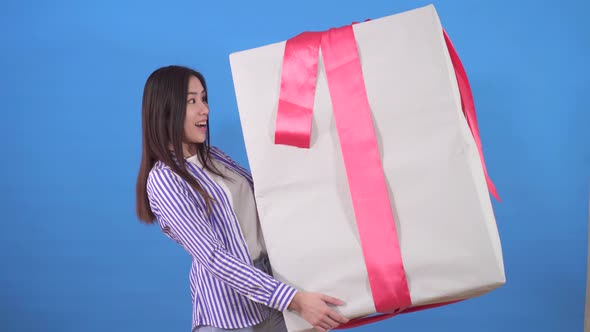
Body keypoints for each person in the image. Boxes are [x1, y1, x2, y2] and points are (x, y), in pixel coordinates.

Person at [135, 65, 349, 332]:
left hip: (272, 296)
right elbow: (213, 257)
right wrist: (294, 300)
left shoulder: (214, 157)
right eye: (192, 101)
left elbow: (264, 206)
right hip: (228, 315)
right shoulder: (165, 180)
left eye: (204, 98)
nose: (205, 109)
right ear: (165, 110)